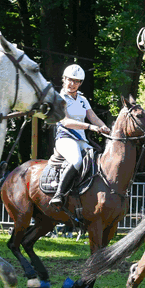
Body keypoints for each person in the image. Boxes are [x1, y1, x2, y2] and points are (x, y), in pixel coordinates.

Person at [50, 64, 110, 206]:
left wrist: (105, 128)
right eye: (70, 80)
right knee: (77, 160)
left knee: (97, 161)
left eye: (76, 81)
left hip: (81, 140)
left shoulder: (83, 100)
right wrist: (90, 127)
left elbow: (93, 117)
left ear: (80, 83)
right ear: (64, 79)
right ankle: (59, 194)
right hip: (65, 138)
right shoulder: (58, 98)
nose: (72, 84)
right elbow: (65, 121)